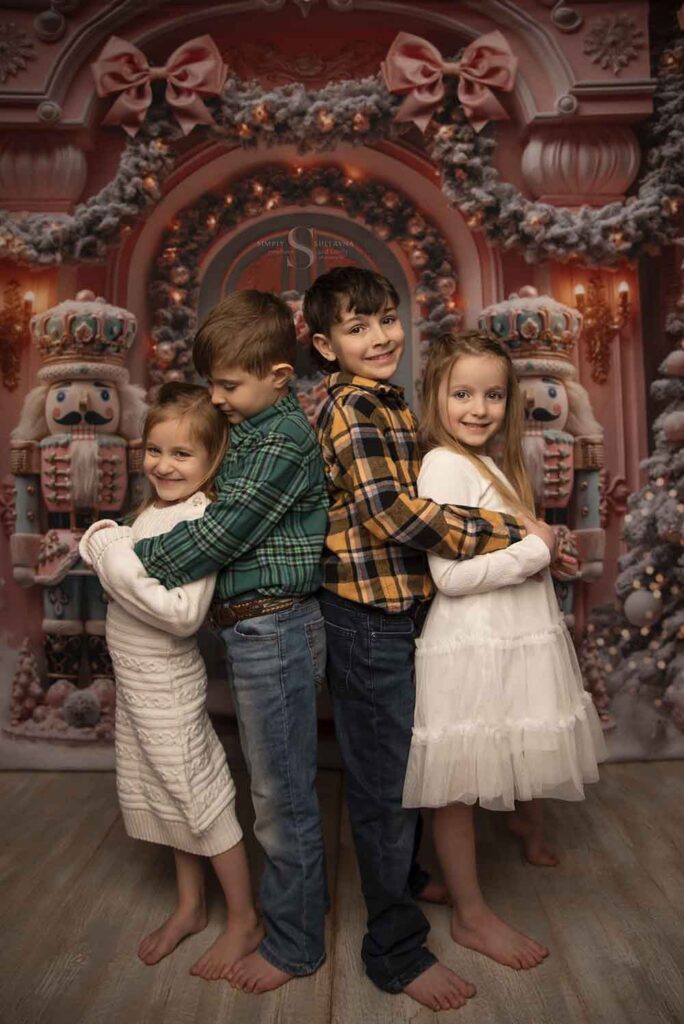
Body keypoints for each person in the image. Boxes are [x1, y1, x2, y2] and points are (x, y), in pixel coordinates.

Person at [303, 266, 556, 1013]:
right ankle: (395, 950)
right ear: (325, 345)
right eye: (357, 327)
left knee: (411, 769)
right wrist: (514, 531)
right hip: (366, 622)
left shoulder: (385, 403)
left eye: (387, 319)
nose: (380, 336)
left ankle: (415, 879)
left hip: (397, 614)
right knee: (385, 791)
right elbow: (394, 517)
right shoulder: (354, 408)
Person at [131, 291, 329, 995]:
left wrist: (127, 555)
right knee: (270, 788)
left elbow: (220, 532)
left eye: (228, 385)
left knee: (282, 798)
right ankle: (277, 918)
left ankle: (296, 946)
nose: (216, 398)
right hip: (252, 629)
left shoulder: (281, 440)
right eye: (211, 384)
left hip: (276, 628)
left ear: (280, 375)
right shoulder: (248, 425)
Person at [403, 332, 607, 970]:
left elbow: (511, 544)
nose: (479, 408)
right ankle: (470, 913)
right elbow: (449, 578)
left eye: (492, 395)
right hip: (471, 643)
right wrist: (534, 550)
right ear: (435, 396)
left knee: (515, 738)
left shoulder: (490, 461)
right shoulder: (443, 465)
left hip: (510, 633)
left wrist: (549, 554)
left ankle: (524, 824)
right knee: (458, 786)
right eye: (462, 393)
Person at [79, 382, 263, 978]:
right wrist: (118, 546)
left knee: (197, 797)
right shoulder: (151, 513)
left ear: (214, 458)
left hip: (167, 685)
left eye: (182, 454)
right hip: (135, 686)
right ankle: (190, 906)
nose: (163, 465)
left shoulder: (198, 519)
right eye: (154, 451)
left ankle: (244, 918)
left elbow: (182, 614)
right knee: (166, 796)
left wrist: (110, 552)